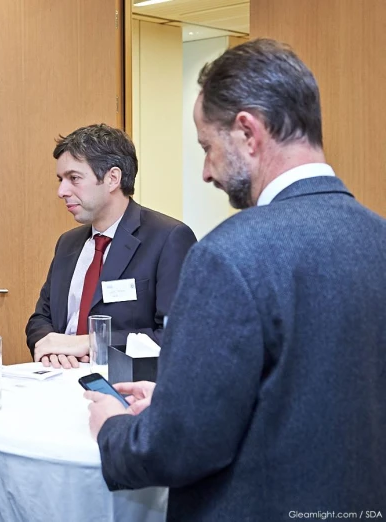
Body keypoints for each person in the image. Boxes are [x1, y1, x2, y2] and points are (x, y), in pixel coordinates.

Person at [85, 39, 386, 521]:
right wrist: (177, 398)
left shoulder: (228, 255)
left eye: (207, 147)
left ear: (247, 131)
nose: (206, 172)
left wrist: (114, 428)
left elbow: (176, 449)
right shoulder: (378, 237)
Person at [25, 123, 197, 369]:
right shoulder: (67, 243)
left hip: (127, 388)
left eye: (74, 178)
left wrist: (91, 343)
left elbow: (178, 335)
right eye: (60, 180)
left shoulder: (169, 238)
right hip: (59, 378)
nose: (61, 191)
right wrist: (50, 347)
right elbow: (41, 318)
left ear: (112, 178)